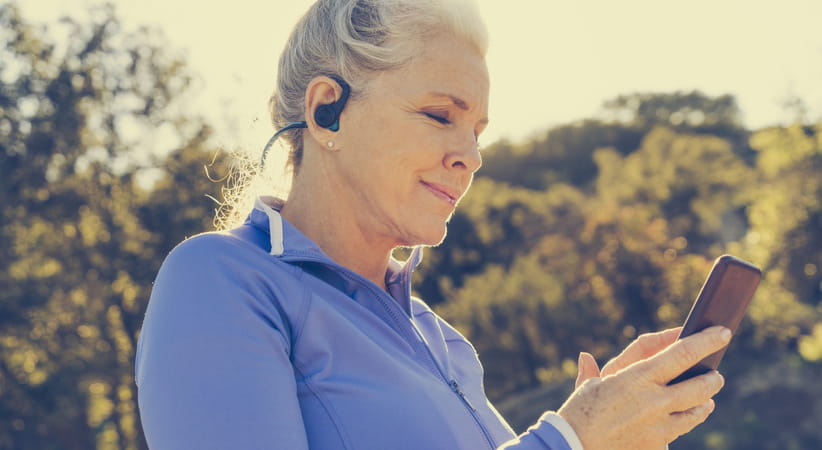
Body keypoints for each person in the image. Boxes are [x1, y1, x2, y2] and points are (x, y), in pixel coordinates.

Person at [134, 0, 730, 448]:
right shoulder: (220, 280)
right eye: (440, 115)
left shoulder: (443, 341)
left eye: (477, 132)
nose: (470, 156)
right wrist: (572, 439)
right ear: (326, 111)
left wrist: (604, 431)